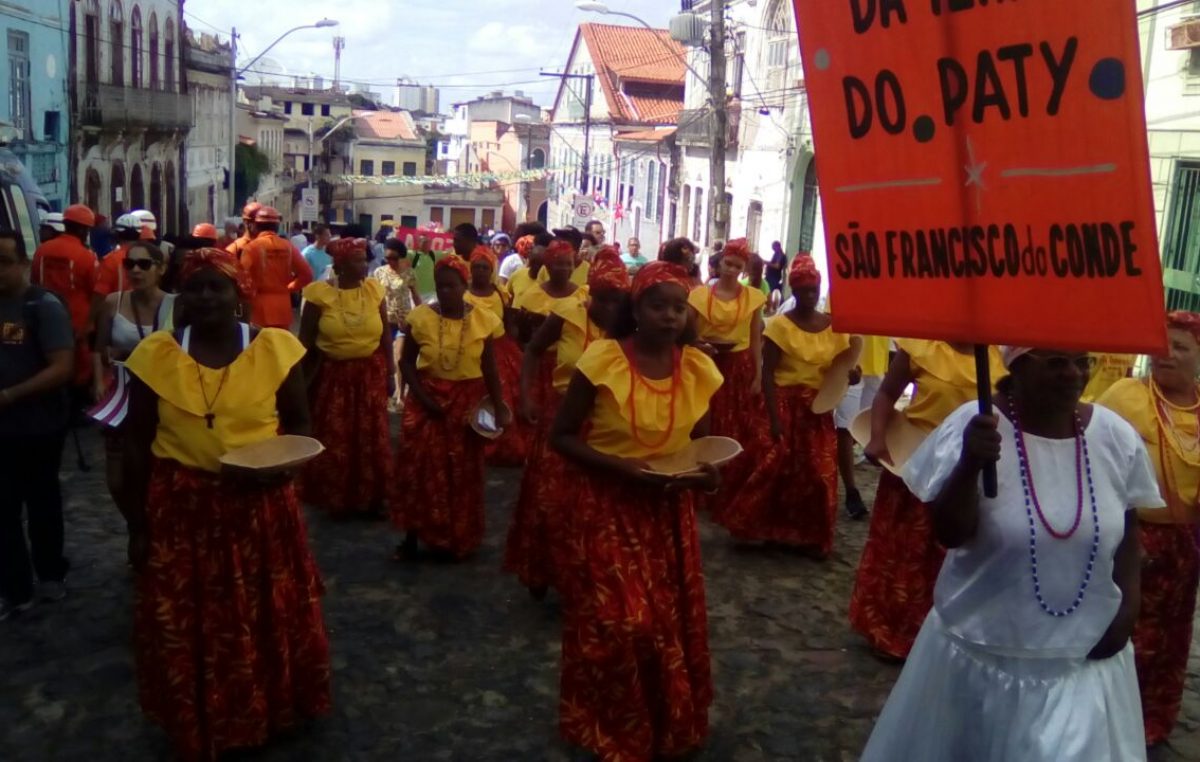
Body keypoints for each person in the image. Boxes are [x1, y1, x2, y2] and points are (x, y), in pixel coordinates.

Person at [861, 347, 1160, 761]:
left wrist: (1128, 607)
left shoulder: (1115, 436)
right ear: (1016, 366)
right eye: (1056, 363)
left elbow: (1127, 528)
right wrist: (969, 464)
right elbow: (950, 533)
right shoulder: (974, 425)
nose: (1074, 374)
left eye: (1082, 362)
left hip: (1083, 663)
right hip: (981, 658)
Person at [120, 248, 330, 760]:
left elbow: (300, 424)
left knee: (261, 612)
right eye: (195, 287)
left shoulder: (273, 349)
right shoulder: (155, 356)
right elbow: (136, 444)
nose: (206, 297)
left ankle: (267, 708)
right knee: (190, 619)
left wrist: (281, 468)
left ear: (239, 293)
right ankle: (200, 715)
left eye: (218, 286)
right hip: (182, 511)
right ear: (182, 295)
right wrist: (138, 525)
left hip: (260, 507)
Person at [550, 260, 722, 760]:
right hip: (607, 508)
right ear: (636, 309)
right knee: (623, 624)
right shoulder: (602, 360)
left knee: (666, 626)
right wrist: (620, 468)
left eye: (678, 308)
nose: (669, 316)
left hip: (667, 515)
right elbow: (561, 436)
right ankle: (609, 726)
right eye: (658, 305)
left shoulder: (697, 369)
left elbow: (703, 447)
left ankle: (664, 724)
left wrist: (708, 476)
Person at [1098, 313, 1200, 747]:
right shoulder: (1125, 396)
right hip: (1129, 536)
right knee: (1123, 628)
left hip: (1185, 543)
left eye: (1181, 347)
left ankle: (1152, 721)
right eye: (1162, 344)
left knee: (1171, 634)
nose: (1168, 354)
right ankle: (1105, 721)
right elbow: (1093, 460)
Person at [506, 247, 630, 599]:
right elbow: (533, 350)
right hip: (562, 420)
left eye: (617, 301)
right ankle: (541, 570)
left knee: (595, 507)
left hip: (607, 424)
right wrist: (526, 396)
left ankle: (588, 579)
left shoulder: (632, 327)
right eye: (602, 299)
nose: (609, 308)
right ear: (591, 293)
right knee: (550, 499)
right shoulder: (566, 313)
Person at [717, 256, 858, 555]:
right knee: (774, 467)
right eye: (803, 290)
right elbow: (768, 373)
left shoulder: (834, 327)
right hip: (782, 402)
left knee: (818, 471)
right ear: (794, 290)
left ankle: (811, 536)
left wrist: (852, 376)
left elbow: (842, 368)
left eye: (813, 290)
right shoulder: (780, 326)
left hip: (816, 407)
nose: (809, 295)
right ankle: (767, 529)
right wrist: (773, 418)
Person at [392, 254, 510, 560]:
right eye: (441, 286)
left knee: (461, 471)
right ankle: (411, 538)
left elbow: (490, 368)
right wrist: (423, 399)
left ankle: (456, 539)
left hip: (466, 405)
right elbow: (406, 363)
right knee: (419, 469)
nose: (445, 292)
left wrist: (499, 406)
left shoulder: (483, 320)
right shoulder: (421, 318)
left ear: (464, 286)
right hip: (427, 401)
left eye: (451, 286)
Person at [0, 229, 74, 619]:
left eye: (4, 262)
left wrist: (11, 395)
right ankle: (15, 588)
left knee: (42, 501)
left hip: (39, 426)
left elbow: (62, 367)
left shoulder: (42, 306)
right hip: (3, 428)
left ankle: (49, 573)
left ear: (24, 264)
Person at [298, 237, 393, 518]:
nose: (364, 265)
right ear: (339, 265)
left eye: (364, 259)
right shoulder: (319, 295)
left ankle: (371, 498)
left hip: (369, 375)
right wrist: (299, 381)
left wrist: (390, 371)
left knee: (370, 437)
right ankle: (337, 498)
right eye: (357, 260)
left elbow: (386, 336)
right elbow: (305, 341)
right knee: (336, 436)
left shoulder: (374, 290)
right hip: (333, 377)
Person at [91, 242, 177, 510]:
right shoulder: (113, 302)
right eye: (130, 264)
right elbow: (99, 349)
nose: (135, 270)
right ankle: (133, 520)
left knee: (153, 467)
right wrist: (98, 381)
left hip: (162, 394)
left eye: (144, 264)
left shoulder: (176, 305)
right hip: (121, 393)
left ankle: (149, 522)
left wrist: (128, 351)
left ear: (160, 269)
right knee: (117, 478)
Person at [687, 238, 769, 505]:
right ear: (719, 263)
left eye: (737, 266)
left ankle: (731, 484)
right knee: (705, 420)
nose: (732, 270)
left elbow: (755, 337)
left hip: (739, 365)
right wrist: (699, 344)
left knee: (738, 423)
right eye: (728, 264)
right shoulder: (699, 296)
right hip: (705, 362)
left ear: (744, 269)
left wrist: (758, 374)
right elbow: (687, 332)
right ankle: (702, 480)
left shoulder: (753, 297)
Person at [465, 244, 528, 466]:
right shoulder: (463, 293)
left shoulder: (500, 293)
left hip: (500, 350)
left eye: (485, 267)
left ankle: (501, 446)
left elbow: (508, 323)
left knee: (503, 397)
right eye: (477, 267)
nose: (481, 271)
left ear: (491, 269)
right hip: (472, 350)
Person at [31, 204, 97, 391]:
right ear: (83, 230)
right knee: (78, 374)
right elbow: (96, 291)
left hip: (42, 319)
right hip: (77, 325)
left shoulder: (41, 251)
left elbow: (33, 281)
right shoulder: (87, 256)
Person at [240, 206, 313, 329]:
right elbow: (307, 275)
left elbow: (241, 278)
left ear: (256, 226)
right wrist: (289, 288)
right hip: (283, 308)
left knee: (261, 340)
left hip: (259, 308)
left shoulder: (252, 248)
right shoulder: (288, 246)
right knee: (281, 340)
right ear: (277, 226)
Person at [373, 239, 422, 409]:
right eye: (387, 258)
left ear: (401, 257)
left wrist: (422, 316)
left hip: (403, 322)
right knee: (382, 357)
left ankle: (400, 395)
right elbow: (374, 297)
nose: (390, 261)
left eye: (394, 258)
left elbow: (416, 296)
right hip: (383, 322)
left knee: (400, 357)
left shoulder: (409, 274)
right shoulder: (379, 273)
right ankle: (383, 392)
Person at [506, 232, 550, 303]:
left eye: (540, 263)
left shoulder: (549, 281)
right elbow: (507, 297)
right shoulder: (518, 275)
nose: (537, 266)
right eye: (534, 262)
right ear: (529, 261)